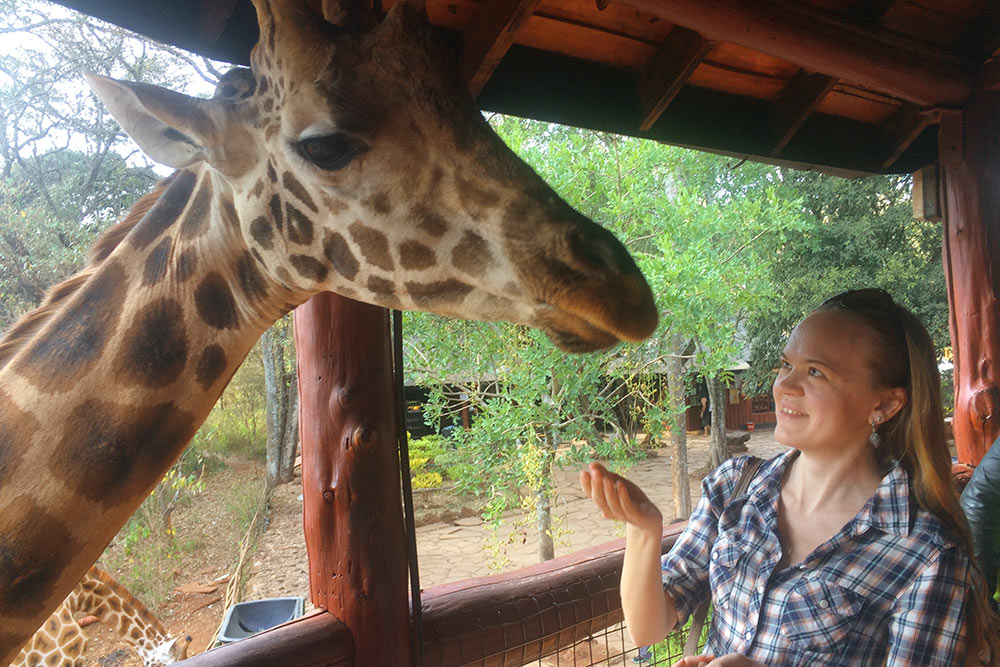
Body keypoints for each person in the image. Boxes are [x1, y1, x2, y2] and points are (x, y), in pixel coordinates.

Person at [582, 289, 998, 666]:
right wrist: (643, 531)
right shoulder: (735, 487)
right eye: (786, 364)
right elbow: (649, 628)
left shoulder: (926, 551)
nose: (785, 386)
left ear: (885, 404)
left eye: (816, 372)